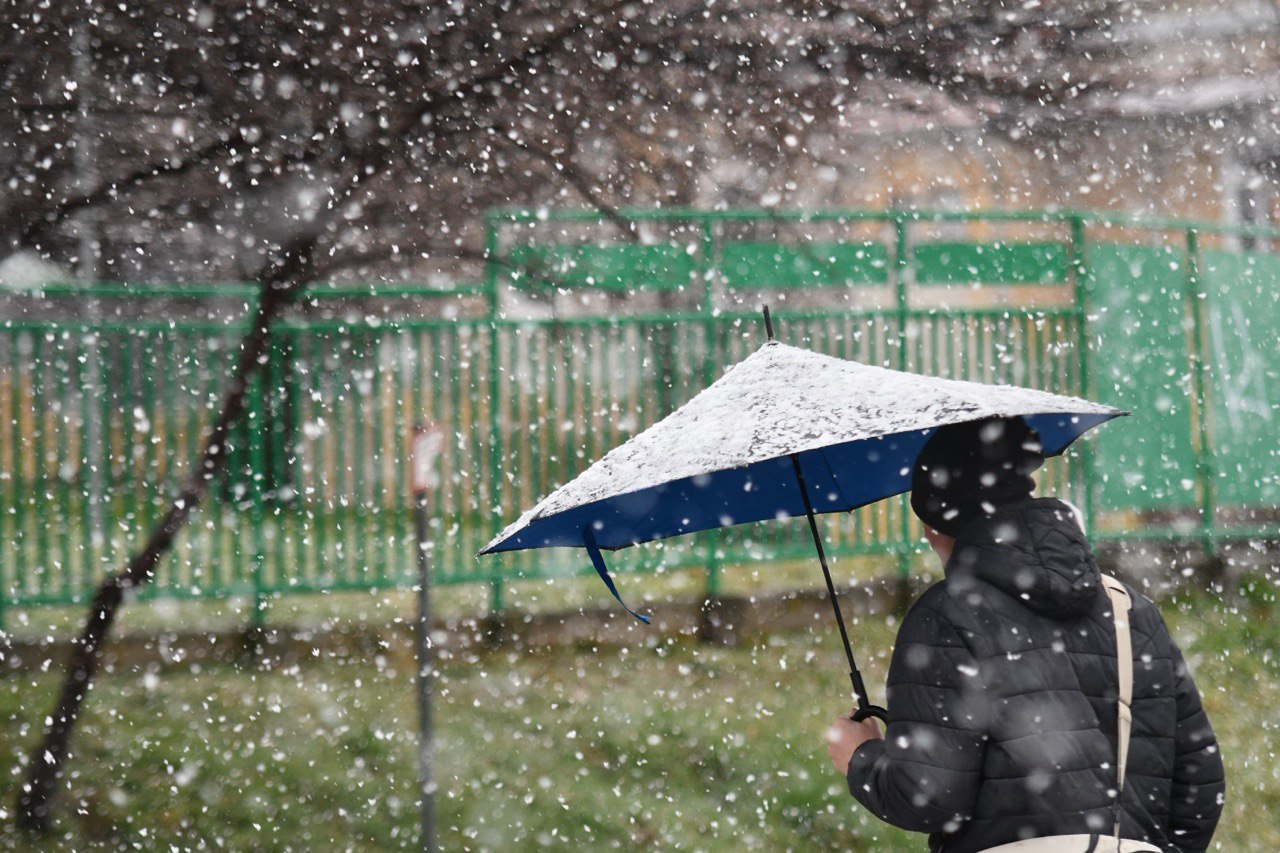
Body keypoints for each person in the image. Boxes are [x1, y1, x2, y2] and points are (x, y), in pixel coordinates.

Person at [825, 416, 1224, 852]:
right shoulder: (1131, 610)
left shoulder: (945, 615)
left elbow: (930, 797)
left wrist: (861, 757)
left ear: (933, 526)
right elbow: (1199, 790)